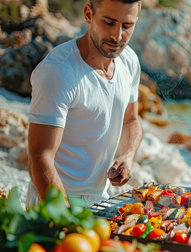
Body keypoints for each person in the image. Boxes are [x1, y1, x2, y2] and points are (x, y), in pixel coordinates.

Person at [26, 0, 143, 206]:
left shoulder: (129, 61)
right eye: (109, 22)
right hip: (54, 205)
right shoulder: (59, 72)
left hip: (101, 203)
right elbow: (40, 157)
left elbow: (131, 120)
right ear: (88, 14)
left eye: (127, 26)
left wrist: (127, 155)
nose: (117, 36)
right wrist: (66, 218)